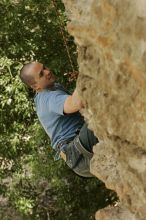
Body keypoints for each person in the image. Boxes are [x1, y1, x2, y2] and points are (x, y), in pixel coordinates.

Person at [20, 62, 98, 177]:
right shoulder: (47, 98)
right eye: (41, 74)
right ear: (36, 86)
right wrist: (85, 74)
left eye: (45, 67)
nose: (47, 72)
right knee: (101, 114)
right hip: (79, 154)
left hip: (78, 153)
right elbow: (76, 103)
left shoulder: (52, 88)